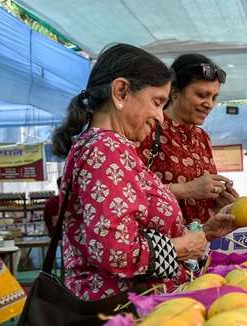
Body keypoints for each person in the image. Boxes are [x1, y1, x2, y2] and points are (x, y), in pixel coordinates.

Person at [50, 43, 237, 301]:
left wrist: (204, 232)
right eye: (157, 102)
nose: (160, 117)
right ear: (121, 92)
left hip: (139, 302)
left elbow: (138, 230)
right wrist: (182, 247)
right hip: (120, 310)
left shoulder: (109, 146)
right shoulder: (106, 149)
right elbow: (116, 251)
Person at [138, 53, 237, 225]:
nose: (209, 104)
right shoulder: (147, 129)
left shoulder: (202, 138)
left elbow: (200, 205)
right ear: (175, 92)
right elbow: (127, 190)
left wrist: (219, 204)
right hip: (163, 246)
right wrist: (187, 189)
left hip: (199, 243)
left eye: (214, 97)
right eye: (201, 95)